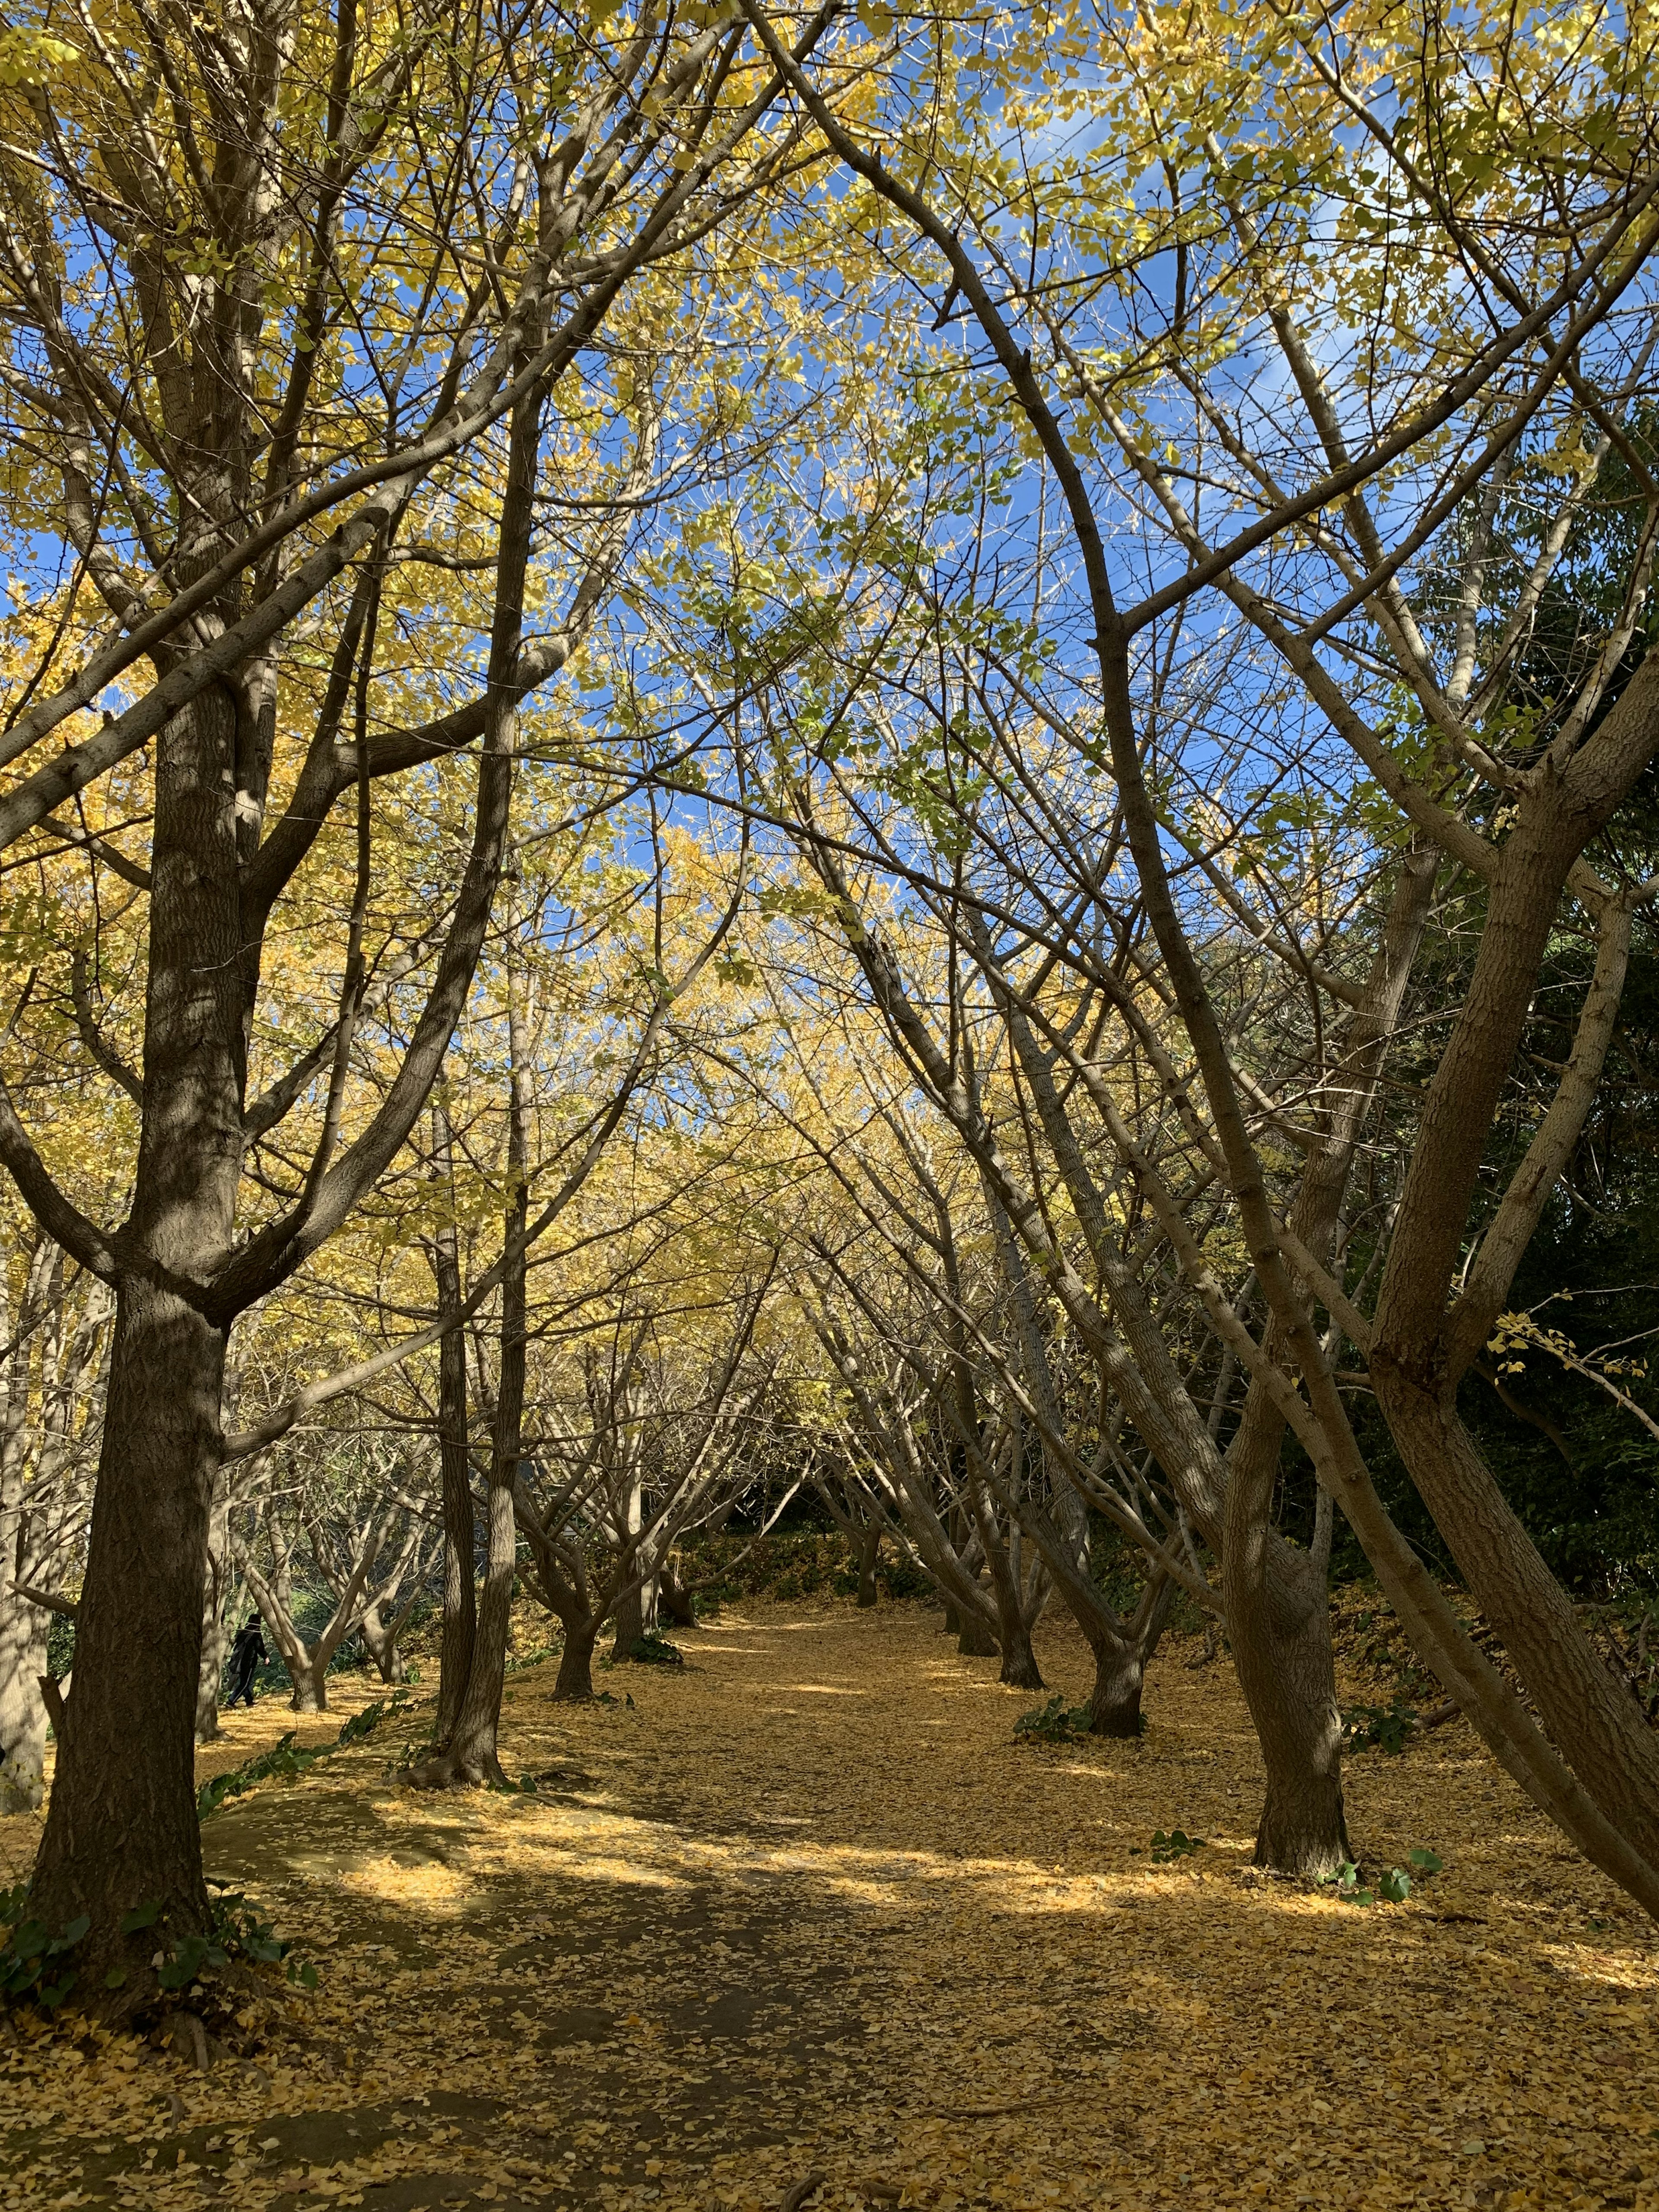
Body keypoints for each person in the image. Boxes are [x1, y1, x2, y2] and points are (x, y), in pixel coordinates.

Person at [226, 1619, 268, 1709]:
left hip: (239, 1662)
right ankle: (231, 1701)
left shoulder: (243, 1633)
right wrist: (266, 1657)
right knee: (245, 1684)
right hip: (249, 1663)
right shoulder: (256, 1634)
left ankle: (249, 1701)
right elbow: (259, 1647)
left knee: (244, 1682)